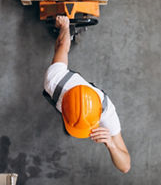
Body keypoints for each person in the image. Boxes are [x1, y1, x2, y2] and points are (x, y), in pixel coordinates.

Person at [44, 15, 131, 173]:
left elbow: (125, 166)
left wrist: (111, 144)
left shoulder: (107, 113)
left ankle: (72, 123)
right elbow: (62, 45)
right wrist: (65, 28)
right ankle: (71, 123)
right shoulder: (54, 82)